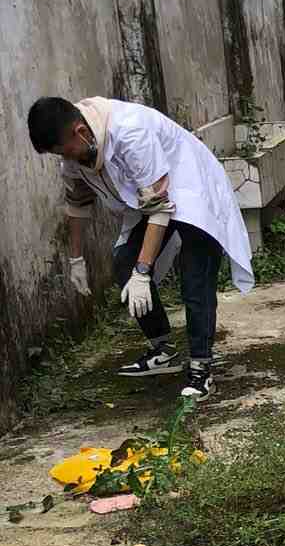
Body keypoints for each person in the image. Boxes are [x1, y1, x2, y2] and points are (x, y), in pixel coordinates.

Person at [27, 96, 254, 401]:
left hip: (193, 189)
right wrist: (76, 258)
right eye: (60, 155)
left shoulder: (131, 131)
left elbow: (159, 208)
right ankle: (163, 350)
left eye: (66, 151)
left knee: (195, 278)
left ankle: (201, 369)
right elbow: (78, 203)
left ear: (80, 132)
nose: (66, 160)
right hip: (152, 199)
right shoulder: (75, 153)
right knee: (124, 261)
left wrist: (143, 272)